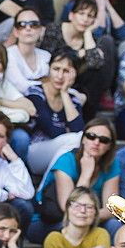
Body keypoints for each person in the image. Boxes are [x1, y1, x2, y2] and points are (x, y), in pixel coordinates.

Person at [34, 116, 120, 236]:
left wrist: (89, 217)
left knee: (113, 225)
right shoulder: (66, 160)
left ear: (110, 146)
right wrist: (86, 174)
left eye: (103, 140)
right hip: (50, 222)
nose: (96, 142)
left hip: (89, 219)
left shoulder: (112, 164)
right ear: (83, 139)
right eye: (91, 136)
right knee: (73, 228)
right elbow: (69, 208)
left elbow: (111, 209)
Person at [24, 48, 86, 178]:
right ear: (49, 69)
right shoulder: (35, 92)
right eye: (56, 69)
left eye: (66, 71)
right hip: (35, 152)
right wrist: (67, 132)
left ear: (74, 74)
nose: (60, 76)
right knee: (75, 140)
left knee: (75, 140)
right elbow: (50, 129)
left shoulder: (72, 99)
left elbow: (78, 129)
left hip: (61, 151)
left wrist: (64, 92)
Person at [47, 0, 116, 110]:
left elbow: (95, 64)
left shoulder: (90, 39)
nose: (85, 19)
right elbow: (50, 59)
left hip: (78, 84)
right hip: (56, 79)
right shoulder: (54, 29)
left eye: (90, 16)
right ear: (71, 15)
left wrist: (88, 33)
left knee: (106, 45)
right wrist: (78, 54)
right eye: (81, 13)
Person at [4, 0, 51, 92]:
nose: (28, 28)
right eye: (22, 25)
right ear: (15, 32)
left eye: (34, 24)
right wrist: (47, 84)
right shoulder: (8, 55)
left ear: (41, 30)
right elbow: (22, 86)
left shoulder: (46, 56)